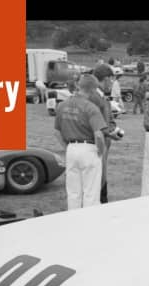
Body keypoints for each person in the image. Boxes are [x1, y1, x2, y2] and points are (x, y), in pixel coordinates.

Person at [53, 73, 107, 210]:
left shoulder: (62, 105)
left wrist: (67, 147)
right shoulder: (91, 107)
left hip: (71, 149)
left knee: (73, 192)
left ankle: (73, 222)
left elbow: (56, 132)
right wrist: (100, 151)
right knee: (91, 192)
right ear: (94, 90)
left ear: (79, 86)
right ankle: (90, 224)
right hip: (89, 149)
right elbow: (99, 135)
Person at [91, 64, 123, 204]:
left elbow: (108, 119)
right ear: (106, 78)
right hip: (98, 143)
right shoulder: (95, 97)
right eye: (112, 80)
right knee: (99, 176)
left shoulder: (100, 96)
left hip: (103, 141)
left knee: (100, 175)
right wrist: (112, 133)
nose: (112, 83)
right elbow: (98, 123)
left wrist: (113, 128)